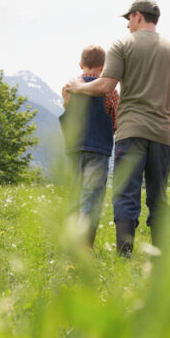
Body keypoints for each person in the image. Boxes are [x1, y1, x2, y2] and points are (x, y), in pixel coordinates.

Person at [64, 0, 170, 256]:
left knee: (126, 194)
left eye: (128, 19)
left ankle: (124, 256)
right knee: (157, 196)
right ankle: (161, 258)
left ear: (138, 16)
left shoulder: (122, 45)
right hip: (163, 134)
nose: (127, 25)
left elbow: (106, 85)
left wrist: (79, 87)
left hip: (131, 133)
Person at [59, 45, 119, 247]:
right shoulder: (110, 92)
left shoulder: (68, 88)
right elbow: (115, 123)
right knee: (91, 199)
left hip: (73, 149)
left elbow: (67, 111)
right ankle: (84, 246)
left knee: (74, 195)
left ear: (80, 64)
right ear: (104, 67)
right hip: (98, 150)